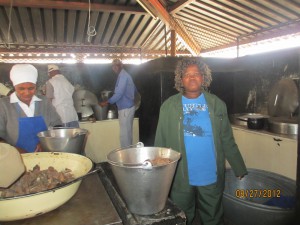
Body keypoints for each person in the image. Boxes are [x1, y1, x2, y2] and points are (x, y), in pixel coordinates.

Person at [154, 57, 247, 225]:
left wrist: (239, 167)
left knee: (213, 216)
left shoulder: (217, 105)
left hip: (209, 172)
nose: (192, 77)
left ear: (203, 78)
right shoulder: (168, 106)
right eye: (187, 74)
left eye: (196, 73)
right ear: (180, 79)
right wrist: (159, 173)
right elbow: (161, 140)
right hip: (180, 175)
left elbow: (227, 139)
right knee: (182, 216)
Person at [0, 64, 62, 153]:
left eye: (31, 88)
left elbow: (57, 126)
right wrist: (13, 150)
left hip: (44, 155)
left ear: (35, 86)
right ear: (14, 87)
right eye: (21, 88)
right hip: (14, 158)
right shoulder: (3, 105)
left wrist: (46, 142)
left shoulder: (44, 102)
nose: (27, 93)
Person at [99, 59, 137, 148]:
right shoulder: (125, 75)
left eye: (116, 66)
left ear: (121, 66)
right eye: (113, 66)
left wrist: (107, 102)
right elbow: (135, 90)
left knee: (124, 136)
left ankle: (125, 158)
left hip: (125, 109)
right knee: (128, 134)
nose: (114, 68)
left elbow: (119, 94)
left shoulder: (123, 76)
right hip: (128, 107)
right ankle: (129, 155)